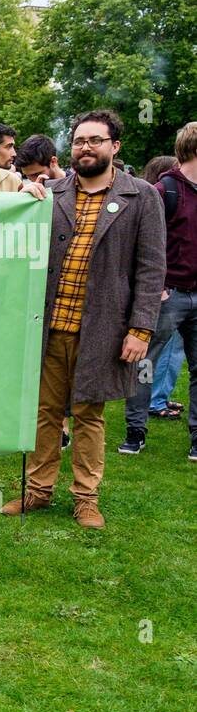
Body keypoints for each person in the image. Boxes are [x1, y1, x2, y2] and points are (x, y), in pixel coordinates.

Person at [2, 109, 165, 528]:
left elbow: (151, 268)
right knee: (44, 412)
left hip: (103, 328)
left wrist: (141, 328)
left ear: (115, 146)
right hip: (51, 324)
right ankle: (38, 492)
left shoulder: (142, 196)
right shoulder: (50, 192)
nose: (86, 147)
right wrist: (24, 195)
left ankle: (85, 497)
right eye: (79, 141)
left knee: (90, 415)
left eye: (95, 140)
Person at [119, 123, 197, 460]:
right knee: (143, 364)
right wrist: (156, 289)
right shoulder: (164, 190)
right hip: (169, 296)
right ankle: (135, 433)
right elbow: (141, 244)